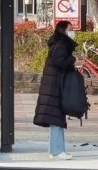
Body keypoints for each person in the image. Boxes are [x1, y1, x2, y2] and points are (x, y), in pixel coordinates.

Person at [33, 20, 77, 160]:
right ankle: (57, 151)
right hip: (54, 86)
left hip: (53, 85)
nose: (72, 31)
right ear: (63, 30)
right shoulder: (61, 44)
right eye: (70, 29)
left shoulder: (58, 43)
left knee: (56, 119)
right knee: (56, 119)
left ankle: (56, 150)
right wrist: (72, 60)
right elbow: (59, 61)